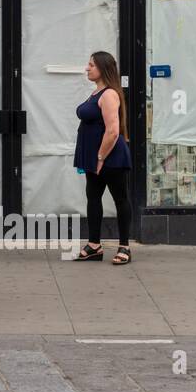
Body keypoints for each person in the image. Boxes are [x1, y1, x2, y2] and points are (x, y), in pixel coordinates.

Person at [73, 51, 133, 264]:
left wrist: (100, 158)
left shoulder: (109, 94)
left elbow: (113, 131)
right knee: (93, 197)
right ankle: (94, 245)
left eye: (91, 65)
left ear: (103, 68)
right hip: (95, 156)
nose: (87, 68)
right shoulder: (96, 93)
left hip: (110, 157)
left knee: (120, 199)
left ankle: (125, 247)